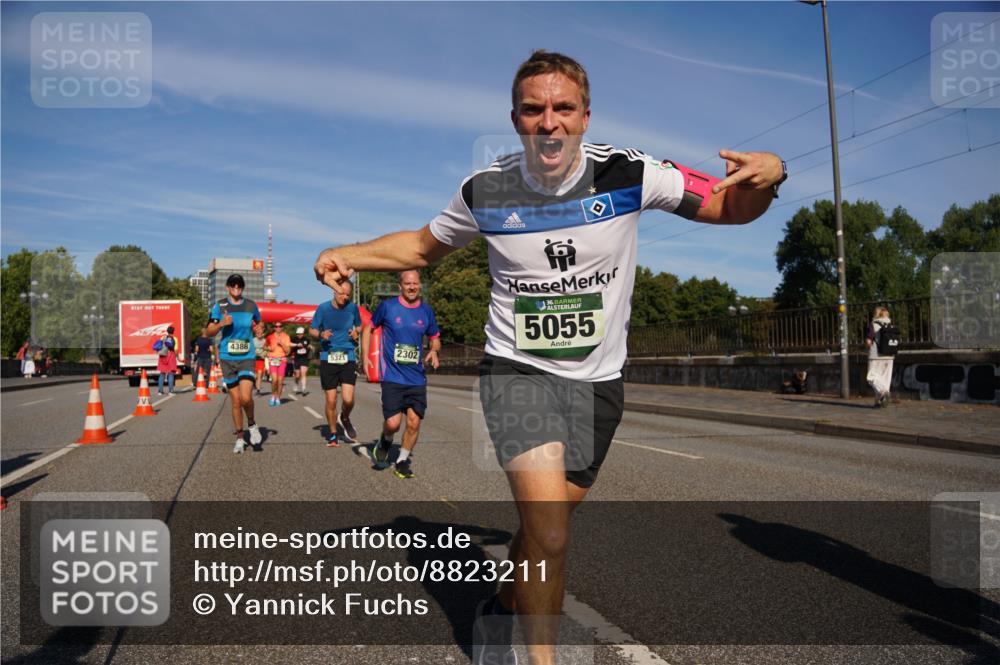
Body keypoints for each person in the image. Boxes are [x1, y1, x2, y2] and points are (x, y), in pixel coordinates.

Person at [314, 50, 783, 665]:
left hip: (598, 384)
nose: (549, 122)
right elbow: (422, 248)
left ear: (586, 116)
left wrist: (771, 177)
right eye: (534, 109)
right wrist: (346, 250)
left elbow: (729, 207)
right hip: (517, 371)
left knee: (544, 532)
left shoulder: (631, 173)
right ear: (515, 119)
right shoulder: (486, 190)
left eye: (563, 108)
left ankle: (506, 600)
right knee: (552, 533)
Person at [361, 270, 440, 479]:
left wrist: (434, 349)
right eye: (407, 284)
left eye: (415, 283)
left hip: (417, 378)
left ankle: (402, 460)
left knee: (414, 422)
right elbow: (368, 329)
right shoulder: (388, 307)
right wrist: (365, 356)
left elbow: (435, 337)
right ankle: (386, 439)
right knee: (393, 424)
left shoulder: (426, 311)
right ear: (400, 286)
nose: (412, 287)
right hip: (392, 377)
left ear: (420, 285)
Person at [205, 273, 263, 454]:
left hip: (246, 356)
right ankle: (240, 437)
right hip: (227, 357)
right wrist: (222, 323)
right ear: (228, 287)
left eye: (239, 286)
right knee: (236, 401)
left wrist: (259, 329)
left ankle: (252, 424)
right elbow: (209, 331)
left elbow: (259, 324)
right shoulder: (220, 306)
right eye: (233, 286)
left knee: (246, 397)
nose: (236, 289)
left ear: (242, 288)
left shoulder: (250, 305)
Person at [310, 281, 362, 446]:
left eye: (348, 294)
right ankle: (333, 435)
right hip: (329, 357)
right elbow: (311, 330)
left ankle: (344, 417)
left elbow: (360, 326)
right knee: (331, 400)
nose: (345, 297)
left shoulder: (352, 308)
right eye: (342, 293)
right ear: (334, 290)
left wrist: (356, 332)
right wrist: (320, 334)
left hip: (348, 356)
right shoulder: (323, 308)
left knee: (348, 400)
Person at [865, 306, 895, 408]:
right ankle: (878, 402)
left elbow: (869, 341)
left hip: (876, 355)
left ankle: (883, 392)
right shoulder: (890, 325)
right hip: (889, 356)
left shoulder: (873, 325)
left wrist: (867, 346)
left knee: (872, 377)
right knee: (884, 380)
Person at [265, 322, 292, 406]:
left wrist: (282, 344)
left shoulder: (286, 337)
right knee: (274, 380)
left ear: (282, 328)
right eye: (276, 326)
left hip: (282, 359)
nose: (278, 328)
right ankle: (273, 396)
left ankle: (278, 398)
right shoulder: (270, 337)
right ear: (274, 328)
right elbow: (265, 346)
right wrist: (269, 348)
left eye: (280, 326)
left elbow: (288, 351)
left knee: (280, 382)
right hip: (272, 359)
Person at [154, 327, 177, 394]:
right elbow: (173, 348)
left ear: (167, 331)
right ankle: (170, 390)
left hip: (162, 356)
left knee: (162, 373)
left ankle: (160, 391)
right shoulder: (173, 338)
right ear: (173, 331)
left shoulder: (163, 338)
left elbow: (159, 346)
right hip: (170, 356)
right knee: (170, 374)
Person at [291, 327, 312, 395]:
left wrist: (310, 347)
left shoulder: (306, 339)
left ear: (303, 334)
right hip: (297, 358)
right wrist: (296, 345)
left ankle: (303, 388)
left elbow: (309, 346)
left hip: (304, 358)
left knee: (303, 373)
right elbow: (290, 345)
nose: (299, 335)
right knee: (297, 375)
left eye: (301, 334)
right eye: (298, 334)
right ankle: (296, 384)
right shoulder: (294, 339)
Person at [253, 326, 267, 396]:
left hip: (261, 359)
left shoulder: (265, 341)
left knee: (260, 374)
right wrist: (254, 352)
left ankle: (258, 390)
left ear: (262, 334)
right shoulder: (253, 340)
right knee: (255, 375)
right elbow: (249, 350)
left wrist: (263, 354)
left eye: (260, 333)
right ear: (256, 334)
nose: (259, 334)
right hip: (253, 360)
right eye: (258, 333)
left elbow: (266, 350)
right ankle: (254, 384)